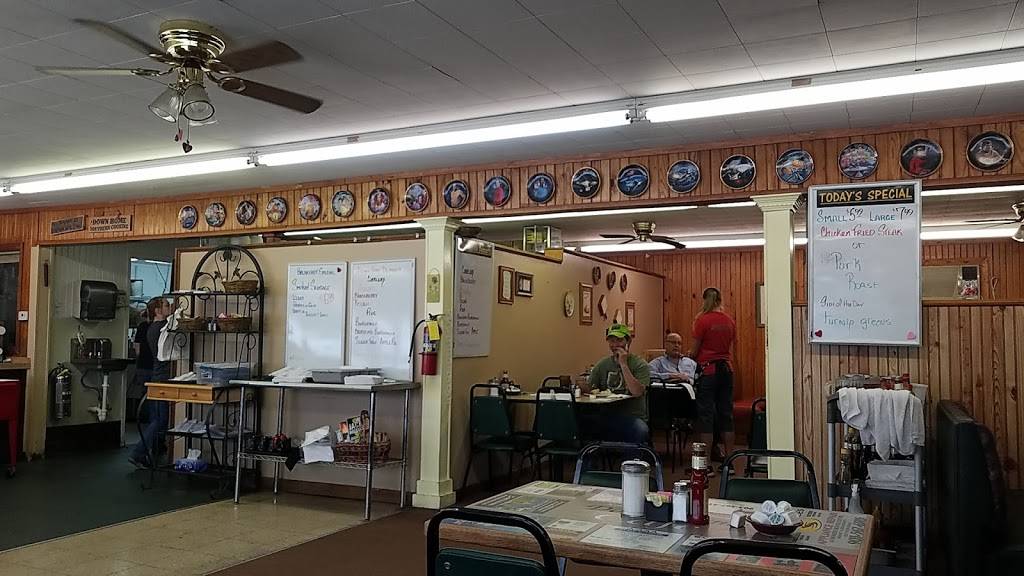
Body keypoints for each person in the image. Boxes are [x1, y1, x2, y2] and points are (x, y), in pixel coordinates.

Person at [577, 323, 652, 445]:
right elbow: (590, 390)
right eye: (612, 341)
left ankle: (630, 458)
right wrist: (582, 385)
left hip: (633, 416)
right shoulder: (602, 364)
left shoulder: (640, 364)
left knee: (640, 430)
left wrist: (623, 364)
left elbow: (637, 392)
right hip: (606, 415)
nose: (615, 345)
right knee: (580, 423)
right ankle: (590, 457)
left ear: (628, 342)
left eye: (619, 340)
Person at [690, 287, 737, 469]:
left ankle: (706, 464)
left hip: (708, 371)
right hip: (726, 369)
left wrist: (690, 355)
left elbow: (695, 350)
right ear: (720, 300)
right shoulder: (729, 321)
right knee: (726, 415)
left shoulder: (702, 320)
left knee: (706, 417)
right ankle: (729, 462)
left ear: (704, 300)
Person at [129, 297, 173, 468]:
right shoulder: (160, 328)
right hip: (161, 377)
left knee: (156, 417)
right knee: (160, 420)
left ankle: (150, 451)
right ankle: (139, 452)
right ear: (157, 310)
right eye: (167, 305)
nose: (170, 307)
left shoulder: (151, 328)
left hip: (156, 375)